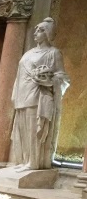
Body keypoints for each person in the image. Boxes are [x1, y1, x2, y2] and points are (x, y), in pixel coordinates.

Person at [10, 17, 70, 170]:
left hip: (38, 96)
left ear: (48, 33)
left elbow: (63, 77)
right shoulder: (28, 53)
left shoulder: (54, 53)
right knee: (22, 130)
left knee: (34, 131)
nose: (36, 32)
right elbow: (19, 75)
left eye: (41, 30)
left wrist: (49, 79)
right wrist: (15, 92)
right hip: (22, 94)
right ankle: (25, 160)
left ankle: (34, 162)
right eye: (36, 29)